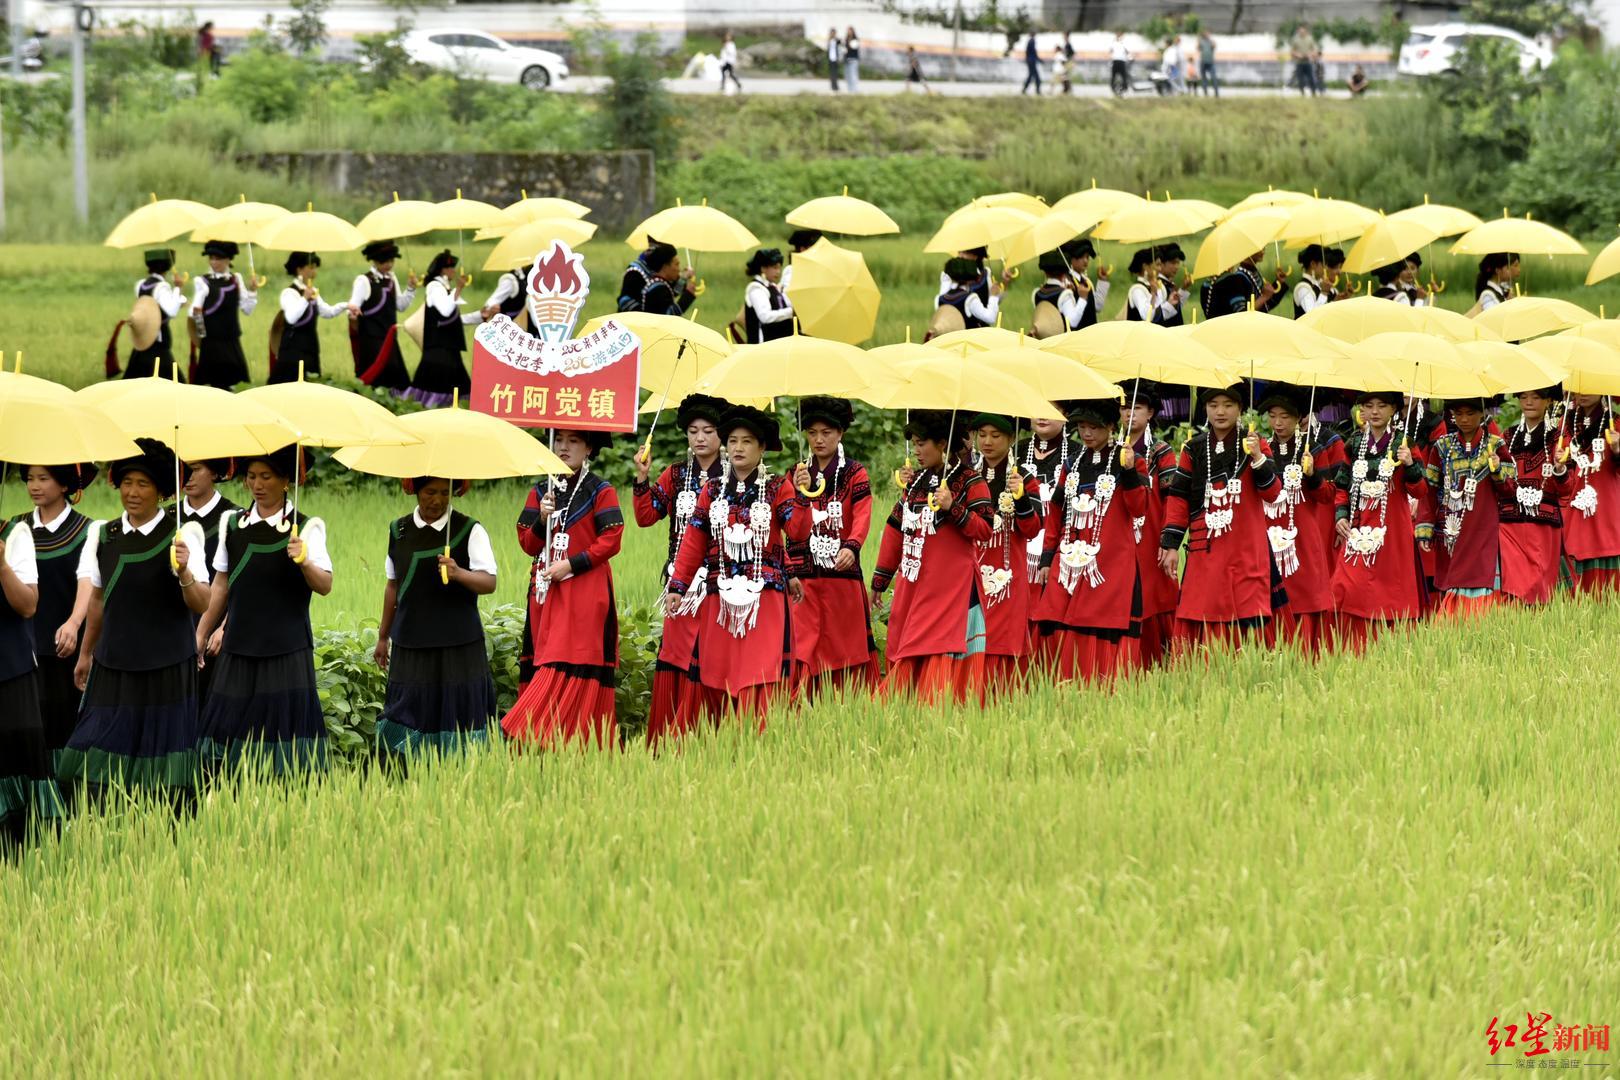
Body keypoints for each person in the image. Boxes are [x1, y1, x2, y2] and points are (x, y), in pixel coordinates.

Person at [60, 439, 212, 803]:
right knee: (87, 752)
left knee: (160, 765)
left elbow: (202, 601)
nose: (132, 491)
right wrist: (86, 654)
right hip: (114, 663)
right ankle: (105, 824)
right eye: (127, 482)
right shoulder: (104, 535)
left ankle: (158, 833)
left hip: (166, 666)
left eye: (143, 484)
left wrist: (185, 570)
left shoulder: (182, 534)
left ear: (161, 490)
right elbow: (97, 600)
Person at [665, 406, 810, 725]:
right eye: (733, 441)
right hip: (719, 596)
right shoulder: (712, 490)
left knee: (760, 668)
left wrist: (802, 496)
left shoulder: (777, 487)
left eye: (747, 441)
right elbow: (693, 540)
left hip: (765, 596)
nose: (739, 448)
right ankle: (718, 737)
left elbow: (797, 532)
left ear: (762, 448)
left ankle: (762, 734)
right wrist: (678, 586)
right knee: (719, 669)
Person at [195, 446, 331, 775]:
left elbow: (324, 584)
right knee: (229, 734)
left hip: (286, 649)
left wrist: (304, 561)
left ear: (286, 480)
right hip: (239, 646)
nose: (257, 484)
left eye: (266, 477)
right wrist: (200, 633)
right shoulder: (232, 524)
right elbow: (221, 585)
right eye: (252, 476)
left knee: (283, 741)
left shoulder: (307, 527)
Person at [504, 429, 623, 749]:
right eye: (559, 440)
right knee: (546, 658)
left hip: (585, 589)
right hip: (545, 592)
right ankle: (543, 739)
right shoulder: (540, 490)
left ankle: (525, 730)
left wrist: (571, 565)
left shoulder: (601, 490)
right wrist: (542, 518)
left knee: (569, 657)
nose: (564, 447)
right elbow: (528, 544)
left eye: (573, 441)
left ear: (588, 448)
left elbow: (611, 541)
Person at [871, 410, 994, 703]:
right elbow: (895, 528)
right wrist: (880, 580)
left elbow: (985, 528)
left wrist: (953, 506)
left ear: (942, 443)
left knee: (938, 644)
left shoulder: (969, 480)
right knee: (908, 642)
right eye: (913, 443)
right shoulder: (915, 482)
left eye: (921, 443)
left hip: (951, 586)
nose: (916, 450)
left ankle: (939, 707)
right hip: (914, 584)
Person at [373, 477, 499, 756]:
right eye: (430, 492)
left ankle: (462, 775)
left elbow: (489, 582)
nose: (437, 500)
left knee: (458, 714)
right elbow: (392, 585)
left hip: (458, 643)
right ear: (415, 490)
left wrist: (458, 573)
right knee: (407, 710)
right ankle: (407, 775)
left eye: (445, 493)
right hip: (410, 641)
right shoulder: (399, 530)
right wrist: (383, 637)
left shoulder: (469, 529)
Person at [636, 394, 731, 744]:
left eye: (708, 430)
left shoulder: (732, 477)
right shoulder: (676, 474)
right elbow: (646, 516)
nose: (700, 438)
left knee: (707, 653)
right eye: (693, 431)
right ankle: (672, 734)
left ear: (722, 436)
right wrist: (642, 478)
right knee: (677, 654)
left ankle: (710, 732)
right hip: (680, 583)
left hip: (718, 583)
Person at [1033, 399, 1147, 682]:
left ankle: (1101, 683)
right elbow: (1056, 514)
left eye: (1093, 427)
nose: (1086, 433)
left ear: (1110, 427)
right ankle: (1059, 683)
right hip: (1069, 558)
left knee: (1099, 618)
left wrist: (1131, 471)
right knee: (1054, 614)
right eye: (1082, 427)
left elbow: (1139, 508)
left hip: (1109, 560)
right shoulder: (1071, 464)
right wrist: (1048, 557)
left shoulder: (1128, 459)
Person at [1158, 384, 1281, 649]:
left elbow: (1272, 493)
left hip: (1246, 544)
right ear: (1205, 409)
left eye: (1228, 405)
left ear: (1240, 408)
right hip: (1207, 543)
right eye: (1213, 405)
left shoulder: (1254, 444)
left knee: (1247, 603)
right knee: (1205, 603)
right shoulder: (1193, 448)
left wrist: (1258, 457)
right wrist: (1170, 545)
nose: (1220, 412)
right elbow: (1179, 497)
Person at [786, 396, 879, 695]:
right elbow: (785, 521)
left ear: (840, 434)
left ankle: (847, 701)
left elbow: (863, 513)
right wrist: (796, 489)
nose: (818, 439)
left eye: (826, 433)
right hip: (803, 575)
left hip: (841, 571)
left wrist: (852, 546)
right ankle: (799, 704)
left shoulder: (854, 472)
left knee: (843, 643)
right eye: (812, 433)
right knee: (803, 643)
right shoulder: (796, 473)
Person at [1330, 389, 1429, 652]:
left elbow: (1420, 491)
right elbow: (1342, 486)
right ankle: (1353, 647)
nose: (1374, 412)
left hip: (1392, 528)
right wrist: (1340, 516)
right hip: (1360, 525)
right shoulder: (1353, 444)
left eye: (1382, 406)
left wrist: (1409, 465)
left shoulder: (1403, 444)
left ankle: (1391, 649)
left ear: (1394, 410)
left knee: (1390, 589)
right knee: (1346, 584)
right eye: (1369, 405)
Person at [11, 464, 97, 754]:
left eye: (43, 479)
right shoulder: (14, 528)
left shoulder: (88, 530)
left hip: (65, 645)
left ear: (64, 485)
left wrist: (74, 622)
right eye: (30, 478)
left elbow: (89, 583)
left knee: (63, 723)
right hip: (22, 646)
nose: (34, 485)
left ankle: (67, 794)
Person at [1259, 384, 1344, 654]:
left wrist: (1312, 475)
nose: (1278, 422)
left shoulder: (1312, 450)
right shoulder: (1262, 450)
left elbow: (1328, 495)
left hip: (1303, 534)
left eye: (1285, 416)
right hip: (1268, 530)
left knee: (1304, 590)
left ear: (1298, 418)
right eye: (1272, 416)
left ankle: (1309, 650)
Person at [969, 414, 1043, 691]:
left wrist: (1021, 497)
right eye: (982, 434)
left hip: (1008, 574)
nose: (987, 442)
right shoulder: (966, 475)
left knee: (1003, 637)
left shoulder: (1023, 477)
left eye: (996, 435)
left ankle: (1005, 699)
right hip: (971, 570)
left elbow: (1033, 528)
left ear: (1011, 438)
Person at [1424, 398, 1515, 617]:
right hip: (1451, 529)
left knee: (1481, 579)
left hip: (1484, 526)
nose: (1464, 419)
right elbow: (1430, 490)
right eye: (1458, 413)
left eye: (1470, 413)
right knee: (1452, 579)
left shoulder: (1495, 444)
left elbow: (1510, 490)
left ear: (1482, 414)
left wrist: (1496, 470)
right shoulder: (1442, 446)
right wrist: (1425, 528)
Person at [0, 500, 54, 847]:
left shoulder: (15, 535)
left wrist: (1, 565)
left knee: (16, 759)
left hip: (10, 669)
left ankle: (25, 846)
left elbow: (28, 605)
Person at [1120, 379, 1180, 665]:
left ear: (1151, 413)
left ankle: (1160, 660)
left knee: (1155, 596)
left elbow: (1172, 498)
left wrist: (1169, 540)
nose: (1129, 414)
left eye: (1137, 408)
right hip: (1119, 536)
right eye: (1123, 408)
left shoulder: (1161, 451)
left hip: (1151, 533)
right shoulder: (1111, 450)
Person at [1496, 387, 1573, 605]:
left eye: (1536, 397)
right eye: (1523, 397)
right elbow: (1503, 484)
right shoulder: (1508, 437)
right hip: (1510, 522)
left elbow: (1567, 488)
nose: (1528, 402)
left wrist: (1559, 468)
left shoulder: (1559, 438)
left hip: (1543, 523)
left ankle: (1538, 630)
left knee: (1539, 585)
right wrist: (1495, 472)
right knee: (1513, 584)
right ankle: (1515, 630)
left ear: (1548, 400)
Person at [406, 250, 481, 409]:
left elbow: (452, 318)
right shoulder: (435, 287)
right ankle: (432, 408)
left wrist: (479, 316)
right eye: (451, 268)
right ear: (443, 270)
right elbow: (445, 311)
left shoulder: (444, 287)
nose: (454, 271)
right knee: (438, 381)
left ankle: (450, 407)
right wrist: (458, 289)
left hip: (447, 344)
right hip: (439, 344)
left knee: (452, 378)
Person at [1561, 393, 1620, 594]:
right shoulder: (1564, 425)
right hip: (1572, 503)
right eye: (1579, 387)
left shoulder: (1614, 424)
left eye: (1590, 387)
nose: (1583, 392)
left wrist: (1617, 448)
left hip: (1605, 505)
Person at [349, 240, 417, 389]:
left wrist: (411, 288)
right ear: (374, 260)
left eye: (391, 261)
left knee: (395, 378)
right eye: (385, 261)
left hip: (390, 340)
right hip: (370, 341)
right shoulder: (364, 281)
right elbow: (353, 306)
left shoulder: (392, 279)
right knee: (375, 380)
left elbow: (400, 306)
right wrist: (353, 314)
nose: (389, 265)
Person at [190, 239, 257, 389]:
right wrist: (201, 335)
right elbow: (195, 310)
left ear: (228, 259)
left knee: (230, 382)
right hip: (212, 341)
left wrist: (252, 290)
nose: (214, 262)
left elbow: (247, 310)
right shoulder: (202, 282)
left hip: (231, 339)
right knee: (214, 383)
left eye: (218, 259)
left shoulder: (236, 280)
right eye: (211, 258)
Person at [271, 251, 345, 384]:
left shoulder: (313, 291)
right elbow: (291, 317)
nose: (314, 271)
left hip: (310, 347)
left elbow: (327, 312)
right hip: (293, 350)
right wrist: (305, 298)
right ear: (299, 269)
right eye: (311, 267)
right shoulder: (289, 293)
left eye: (315, 267)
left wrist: (345, 306)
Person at [126, 248, 186, 380]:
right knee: (175, 382)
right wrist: (178, 288)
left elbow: (150, 306)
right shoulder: (161, 287)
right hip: (158, 342)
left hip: (142, 339)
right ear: (167, 267)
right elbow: (172, 311)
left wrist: (177, 297)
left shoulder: (141, 285)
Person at [1201, 250, 1287, 319]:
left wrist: (1278, 284)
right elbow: (1242, 315)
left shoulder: (1206, 285)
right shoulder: (1232, 281)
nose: (1263, 251)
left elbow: (1263, 307)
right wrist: (1264, 297)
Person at [930, 256, 1002, 336]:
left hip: (950, 344)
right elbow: (990, 318)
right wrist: (993, 296)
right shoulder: (970, 299)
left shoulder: (939, 300)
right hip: (968, 344)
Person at [742, 248, 795, 343]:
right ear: (763, 268)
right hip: (762, 345)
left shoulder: (772, 287)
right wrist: (791, 312)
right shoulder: (756, 289)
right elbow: (765, 316)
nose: (778, 272)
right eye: (775, 268)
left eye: (779, 268)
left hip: (776, 342)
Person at [640, 244, 699, 317]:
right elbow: (669, 315)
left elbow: (673, 291)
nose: (679, 269)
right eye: (676, 264)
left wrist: (683, 278)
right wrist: (688, 295)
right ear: (665, 267)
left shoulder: (659, 283)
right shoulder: (658, 289)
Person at [1030, 250, 1078, 339]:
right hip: (1061, 342)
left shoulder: (1037, 293)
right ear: (1064, 274)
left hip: (1042, 341)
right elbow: (1073, 322)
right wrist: (1083, 298)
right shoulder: (1065, 295)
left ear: (1045, 272)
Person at [1293, 243, 1349, 319]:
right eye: (1324, 265)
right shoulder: (1303, 287)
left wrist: (1335, 301)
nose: (1326, 268)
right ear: (1313, 264)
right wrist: (1324, 293)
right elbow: (1312, 315)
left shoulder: (1320, 284)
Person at [1063, 239, 1110, 328]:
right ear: (1070, 258)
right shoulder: (1066, 282)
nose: (1085, 261)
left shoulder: (1086, 281)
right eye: (1081, 257)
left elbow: (1097, 306)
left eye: (1087, 257)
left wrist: (1102, 281)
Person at [1123, 249, 1171, 324]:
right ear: (1145, 266)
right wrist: (1153, 295)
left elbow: (1163, 315)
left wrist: (1171, 302)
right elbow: (1146, 316)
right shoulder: (1137, 289)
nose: (1160, 269)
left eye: (1160, 265)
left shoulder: (1159, 287)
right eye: (1157, 265)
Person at [1154, 243, 1189, 326]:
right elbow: (1160, 315)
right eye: (1173, 263)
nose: (1177, 267)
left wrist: (1184, 288)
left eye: (1178, 263)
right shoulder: (1159, 285)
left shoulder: (1169, 284)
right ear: (1161, 263)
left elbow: (1177, 307)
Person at [1290, 25, 1318, 96]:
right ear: (1298, 31)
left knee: (1311, 78)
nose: (1301, 32)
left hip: (1308, 62)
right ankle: (1302, 93)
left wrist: (1310, 54)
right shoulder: (1295, 40)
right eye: (1300, 31)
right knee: (1300, 79)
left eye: (1303, 31)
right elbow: (1292, 51)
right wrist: (1297, 55)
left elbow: (1314, 50)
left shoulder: (1310, 39)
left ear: (1306, 31)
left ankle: (1313, 93)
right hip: (1299, 62)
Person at [1109, 31, 1131, 96]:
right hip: (1121, 61)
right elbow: (1127, 52)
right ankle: (1124, 88)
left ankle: (1113, 88)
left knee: (1114, 76)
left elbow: (1110, 51)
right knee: (1124, 76)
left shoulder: (1114, 43)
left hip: (1115, 61)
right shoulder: (1123, 44)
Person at [1198, 29, 1218, 97]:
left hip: (1210, 62)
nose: (1207, 35)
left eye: (1208, 33)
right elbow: (1198, 48)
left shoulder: (1211, 42)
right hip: (1203, 62)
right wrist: (1199, 38)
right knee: (1204, 79)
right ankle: (1205, 93)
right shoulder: (1201, 41)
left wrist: (1211, 41)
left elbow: (1214, 46)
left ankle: (1216, 93)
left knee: (1213, 77)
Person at [844, 27, 861, 93]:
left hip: (853, 59)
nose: (849, 32)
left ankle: (855, 89)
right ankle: (850, 89)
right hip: (847, 59)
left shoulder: (855, 39)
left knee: (854, 75)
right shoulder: (846, 39)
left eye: (850, 31)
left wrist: (847, 43)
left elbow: (853, 47)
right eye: (848, 31)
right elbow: (844, 49)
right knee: (848, 75)